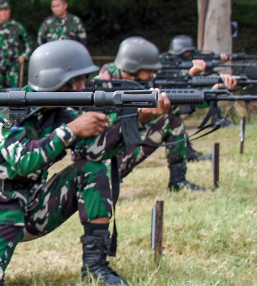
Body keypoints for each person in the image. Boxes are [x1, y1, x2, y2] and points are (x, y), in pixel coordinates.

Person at [0, 40, 173, 286]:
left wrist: (141, 117)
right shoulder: (6, 109)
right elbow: (23, 160)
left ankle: (95, 266)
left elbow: (96, 150)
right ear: (53, 80)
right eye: (76, 81)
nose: (83, 87)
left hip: (35, 205)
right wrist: (71, 131)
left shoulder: (61, 113)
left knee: (93, 166)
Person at [97, 36, 237, 191]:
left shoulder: (141, 83)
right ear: (133, 68)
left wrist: (212, 93)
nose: (153, 74)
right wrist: (141, 115)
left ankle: (178, 181)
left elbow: (177, 103)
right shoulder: (103, 86)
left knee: (170, 119)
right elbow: (105, 127)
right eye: (148, 70)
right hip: (103, 164)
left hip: (121, 152)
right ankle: (106, 180)